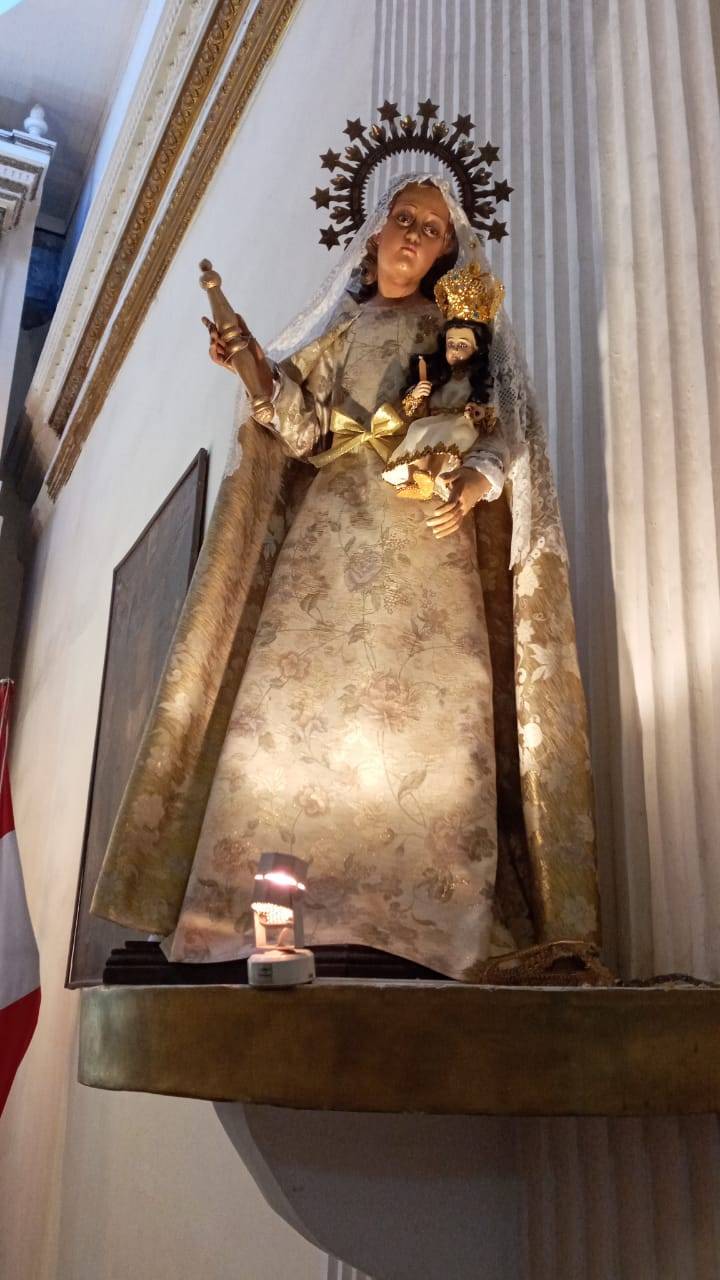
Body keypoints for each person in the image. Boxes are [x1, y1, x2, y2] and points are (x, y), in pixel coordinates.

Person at [91, 174, 600, 981]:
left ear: (448, 250)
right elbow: (303, 427)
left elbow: (505, 427)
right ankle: (271, 907)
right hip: (326, 541)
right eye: (404, 219)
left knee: (427, 721)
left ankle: (427, 917)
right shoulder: (344, 333)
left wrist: (474, 484)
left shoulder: (462, 334)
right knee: (292, 712)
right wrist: (251, 367)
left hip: (426, 546)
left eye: (432, 228)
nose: (413, 235)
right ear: (374, 232)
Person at [381, 261, 505, 502]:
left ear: (477, 349)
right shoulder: (439, 375)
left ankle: (429, 474)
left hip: (460, 423)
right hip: (433, 420)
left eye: (463, 345)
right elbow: (411, 410)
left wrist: (478, 412)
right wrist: (417, 394)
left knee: (444, 437)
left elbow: (491, 412)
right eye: (451, 344)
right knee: (418, 429)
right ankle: (417, 478)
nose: (456, 350)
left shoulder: (479, 379)